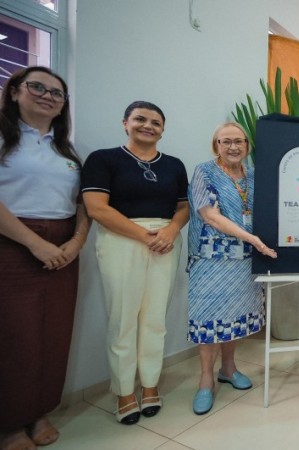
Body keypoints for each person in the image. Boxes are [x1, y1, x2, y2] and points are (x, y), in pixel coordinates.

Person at [0, 66, 91, 450]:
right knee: (14, 336)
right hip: (13, 245)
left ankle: (38, 412)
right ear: (15, 92)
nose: (48, 95)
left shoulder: (66, 149)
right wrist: (33, 243)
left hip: (63, 247)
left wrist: (76, 243)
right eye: (37, 87)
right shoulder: (6, 140)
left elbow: (83, 203)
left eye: (57, 92)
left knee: (53, 334)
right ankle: (9, 423)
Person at [82, 101, 189, 425]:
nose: (148, 125)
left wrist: (170, 230)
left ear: (163, 129)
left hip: (166, 241)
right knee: (123, 318)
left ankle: (151, 384)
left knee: (155, 318)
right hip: (121, 241)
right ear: (125, 122)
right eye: (140, 119)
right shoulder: (103, 159)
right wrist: (145, 236)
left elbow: (183, 207)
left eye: (156, 122)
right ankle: (124, 391)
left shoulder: (174, 165)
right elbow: (97, 209)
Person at [187, 123, 277, 415]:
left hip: (245, 260)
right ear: (216, 146)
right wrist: (252, 238)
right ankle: (205, 381)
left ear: (247, 146)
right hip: (211, 259)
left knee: (234, 315)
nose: (233, 147)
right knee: (208, 319)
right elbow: (209, 215)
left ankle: (228, 368)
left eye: (239, 141)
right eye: (226, 142)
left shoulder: (253, 174)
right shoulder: (204, 171)